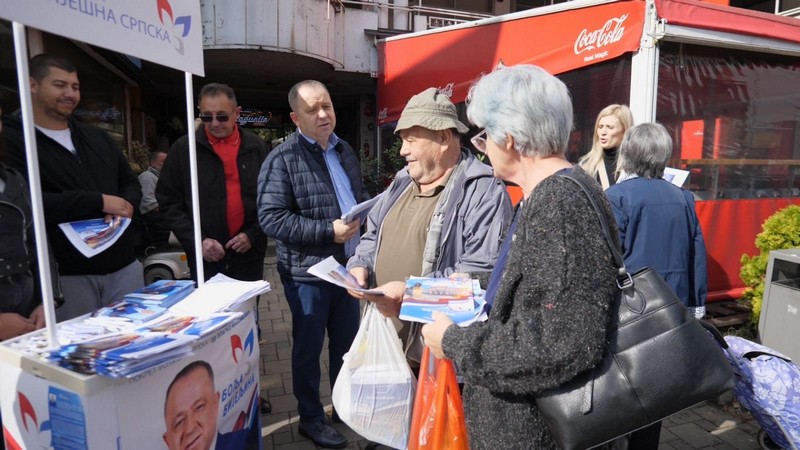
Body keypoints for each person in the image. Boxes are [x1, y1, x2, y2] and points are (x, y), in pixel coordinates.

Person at [420, 64, 620, 448]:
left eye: (484, 138)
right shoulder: (558, 191)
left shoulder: (558, 202)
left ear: (508, 139)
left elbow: (562, 342)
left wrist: (454, 342)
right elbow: (533, 291)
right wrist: (428, 293)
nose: (484, 149)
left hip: (534, 429)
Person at [346, 87, 513, 362]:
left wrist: (410, 294)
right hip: (386, 346)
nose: (402, 151)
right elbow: (372, 235)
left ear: (443, 137)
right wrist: (359, 265)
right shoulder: (401, 181)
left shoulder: (484, 191)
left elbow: (480, 276)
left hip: (437, 358)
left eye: (411, 140)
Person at [257, 80, 368, 449]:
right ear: (295, 118)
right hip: (308, 272)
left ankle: (343, 406)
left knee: (347, 344)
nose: (323, 115)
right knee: (308, 348)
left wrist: (369, 211)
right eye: (312, 109)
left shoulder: (344, 150)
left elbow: (358, 193)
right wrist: (327, 231)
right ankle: (309, 418)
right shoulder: (282, 159)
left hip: (348, 268)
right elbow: (271, 218)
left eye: (327, 106)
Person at [3, 54, 143, 321]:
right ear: (32, 84)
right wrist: (97, 202)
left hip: (124, 268)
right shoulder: (12, 139)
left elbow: (129, 181)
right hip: (66, 275)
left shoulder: (97, 137)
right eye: (59, 85)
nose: (70, 93)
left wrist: (126, 205)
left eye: (75, 86)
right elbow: (24, 204)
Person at [605, 123, 708, 449]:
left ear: (628, 153)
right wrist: (697, 306)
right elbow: (697, 257)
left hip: (629, 310)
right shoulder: (682, 197)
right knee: (657, 392)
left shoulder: (616, 197)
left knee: (619, 389)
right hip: (671, 310)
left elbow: (608, 258)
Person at [156, 83, 268, 283]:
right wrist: (198, 241)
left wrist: (253, 234)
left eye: (222, 116)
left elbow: (272, 198)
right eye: (207, 117)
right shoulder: (183, 149)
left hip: (248, 254)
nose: (215, 123)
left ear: (237, 113)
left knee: (248, 313)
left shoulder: (256, 147)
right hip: (205, 258)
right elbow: (168, 201)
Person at [163, 361, 219, 450]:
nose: (190, 429)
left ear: (215, 404)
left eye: (199, 407)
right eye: (179, 422)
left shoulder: (242, 442)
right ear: (168, 441)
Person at [579, 104, 634, 190]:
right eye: (600, 127)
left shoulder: (635, 167)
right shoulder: (586, 166)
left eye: (610, 127)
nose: (603, 132)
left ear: (625, 131)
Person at [138, 150, 170, 247]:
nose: (166, 164)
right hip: (155, 222)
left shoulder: (162, 177)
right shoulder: (147, 177)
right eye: (163, 161)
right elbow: (149, 204)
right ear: (152, 163)